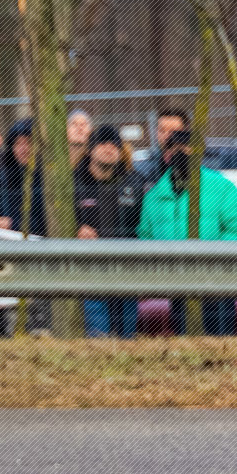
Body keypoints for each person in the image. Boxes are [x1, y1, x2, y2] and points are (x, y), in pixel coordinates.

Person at [137, 129, 237, 335]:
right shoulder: (154, 198)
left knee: (220, 345)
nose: (182, 155)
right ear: (167, 156)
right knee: (186, 345)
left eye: (188, 150)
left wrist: (213, 261)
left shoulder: (221, 187)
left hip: (216, 288)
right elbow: (146, 238)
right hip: (177, 290)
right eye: (176, 150)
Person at [74, 125, 143, 337]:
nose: (109, 148)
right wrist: (75, 229)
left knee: (127, 338)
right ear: (90, 150)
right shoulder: (73, 183)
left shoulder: (135, 182)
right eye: (102, 143)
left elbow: (144, 225)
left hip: (126, 269)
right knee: (98, 338)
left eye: (114, 144)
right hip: (89, 270)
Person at [1, 118, 44, 235]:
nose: (23, 149)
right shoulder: (4, 177)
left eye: (28, 142)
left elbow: (45, 221)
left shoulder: (47, 178)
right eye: (18, 143)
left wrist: (13, 224)